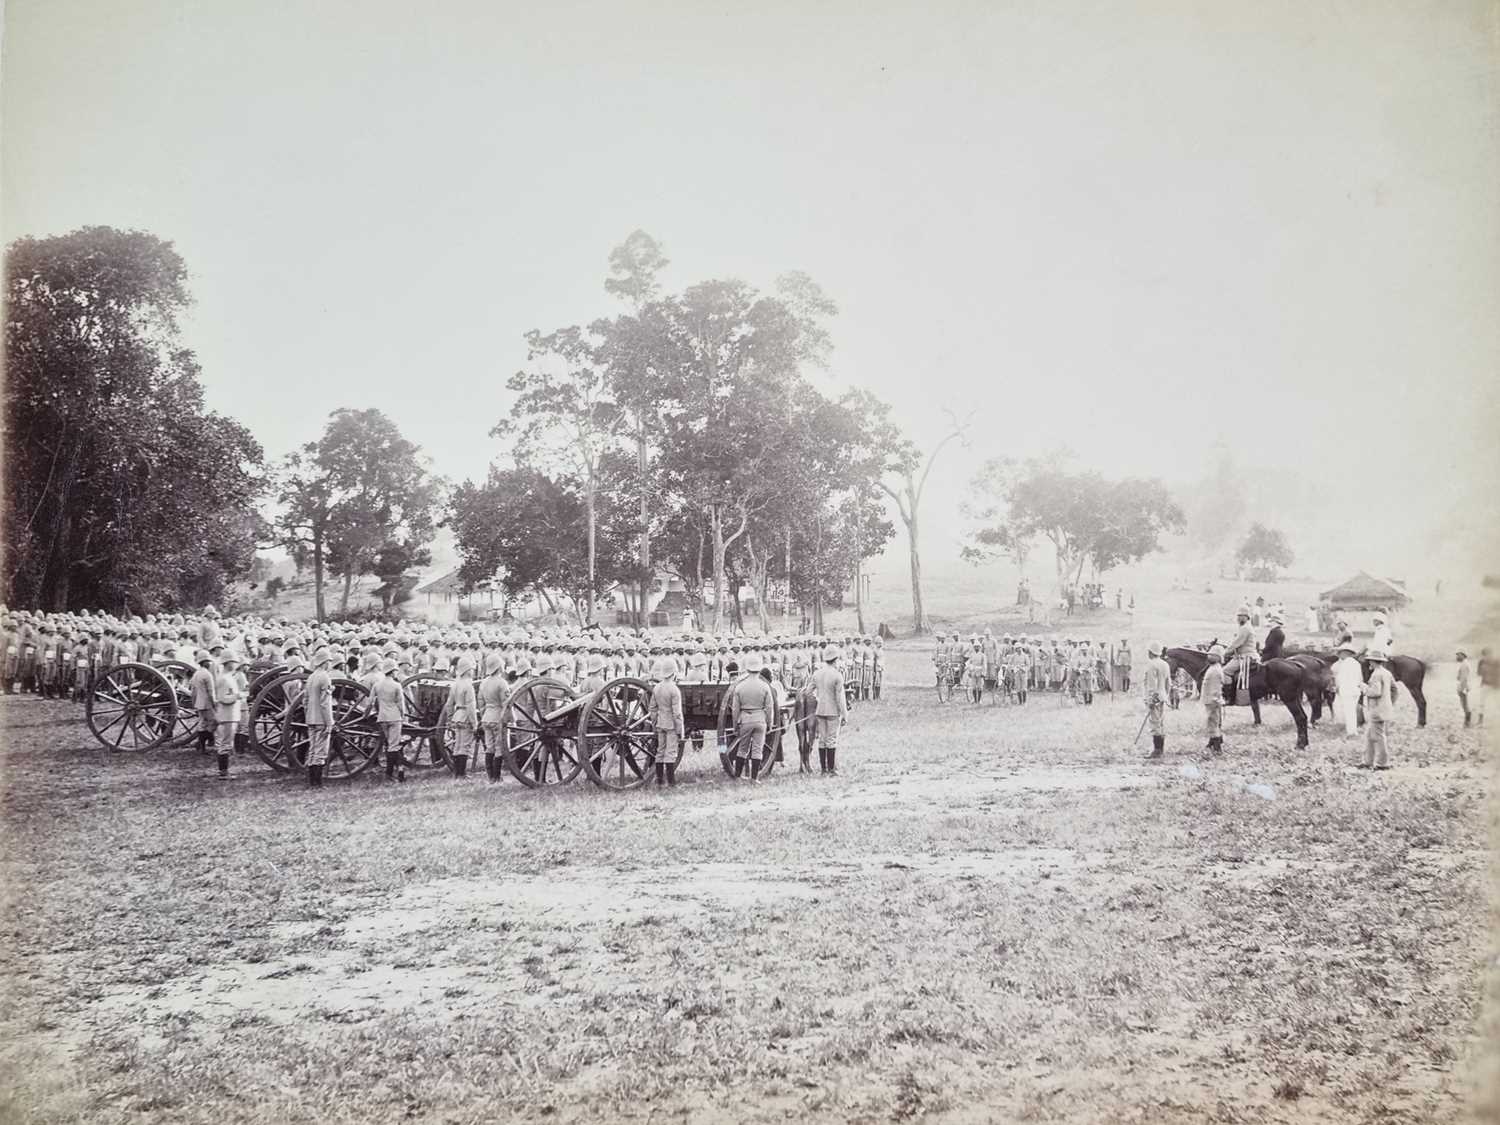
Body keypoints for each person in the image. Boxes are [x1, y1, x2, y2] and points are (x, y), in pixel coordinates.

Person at [730, 653, 776, 781]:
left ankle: (738, 776)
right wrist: (770, 724)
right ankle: (754, 778)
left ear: (747, 669)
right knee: (757, 749)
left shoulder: (739, 687)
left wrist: (735, 726)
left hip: (745, 719)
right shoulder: (765, 686)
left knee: (742, 748)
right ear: (759, 669)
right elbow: (769, 707)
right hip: (760, 719)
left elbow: (735, 710)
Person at [367, 658, 409, 781]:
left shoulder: (377, 685)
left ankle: (399, 771)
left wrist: (365, 715)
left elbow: (370, 702)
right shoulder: (396, 685)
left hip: (382, 718)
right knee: (394, 746)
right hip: (395, 717)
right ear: (393, 672)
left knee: (389, 744)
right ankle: (390, 774)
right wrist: (404, 717)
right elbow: (401, 705)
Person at [811, 644, 848, 775]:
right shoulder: (837, 676)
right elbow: (840, 698)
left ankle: (823, 769)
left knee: (822, 739)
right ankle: (832, 769)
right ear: (836, 659)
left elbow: (809, 691)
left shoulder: (817, 674)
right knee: (832, 739)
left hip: (820, 711)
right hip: (833, 711)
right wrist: (844, 714)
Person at [648, 656, 684, 787]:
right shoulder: (674, 689)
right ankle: (671, 782)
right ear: (674, 673)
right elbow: (677, 713)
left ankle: (659, 781)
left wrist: (655, 723)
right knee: (671, 752)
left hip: (660, 723)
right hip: (671, 725)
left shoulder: (657, 688)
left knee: (660, 751)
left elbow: (652, 708)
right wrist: (680, 730)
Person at [303, 648, 335, 788]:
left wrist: (308, 715)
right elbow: (325, 703)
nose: (330, 664)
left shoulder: (311, 677)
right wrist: (329, 722)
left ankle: (312, 782)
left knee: (312, 749)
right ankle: (318, 783)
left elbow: (305, 700)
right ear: (325, 662)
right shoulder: (325, 677)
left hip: (310, 717)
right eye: (329, 661)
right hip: (321, 719)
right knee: (321, 752)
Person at [1361, 648, 1395, 769]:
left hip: (1376, 710)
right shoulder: (1387, 673)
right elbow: (1395, 690)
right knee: (1370, 736)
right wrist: (1389, 703)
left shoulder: (1376, 674)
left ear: (1373, 662)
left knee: (1378, 737)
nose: (1369, 663)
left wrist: (1364, 688)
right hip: (1383, 709)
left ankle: (1382, 763)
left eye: (1370, 661)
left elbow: (1375, 692)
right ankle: (1367, 761)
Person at [212, 653, 244, 780]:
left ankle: (224, 770)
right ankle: (223, 772)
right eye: (234, 662)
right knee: (225, 743)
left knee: (227, 743)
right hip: (227, 714)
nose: (236, 665)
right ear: (229, 663)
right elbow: (223, 698)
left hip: (231, 714)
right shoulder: (224, 679)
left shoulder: (228, 677)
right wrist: (237, 696)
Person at [1142, 643, 1171, 759]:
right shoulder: (1165, 664)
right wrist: (1165, 695)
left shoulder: (1151, 665)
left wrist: (1151, 700)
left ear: (1151, 652)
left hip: (1155, 697)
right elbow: (1168, 682)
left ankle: (1157, 750)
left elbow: (1151, 685)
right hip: (1163, 696)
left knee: (1154, 723)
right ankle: (1160, 748)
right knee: (1160, 722)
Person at [1222, 606, 1257, 693]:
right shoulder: (1245, 627)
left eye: (1242, 616)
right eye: (1238, 616)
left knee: (1225, 671)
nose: (1239, 618)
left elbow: (1236, 643)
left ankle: (1229, 696)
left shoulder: (1245, 628)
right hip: (1243, 655)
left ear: (1247, 617)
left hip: (1245, 656)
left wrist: (1224, 653)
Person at [189, 649, 216, 755]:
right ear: (204, 662)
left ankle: (202, 745)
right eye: (208, 661)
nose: (209, 663)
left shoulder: (196, 673)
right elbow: (211, 692)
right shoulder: (207, 675)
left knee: (203, 723)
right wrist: (214, 704)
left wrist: (194, 702)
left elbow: (193, 690)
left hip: (199, 702)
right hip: (207, 703)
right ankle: (202, 743)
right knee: (213, 722)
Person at [1332, 643, 1362, 736]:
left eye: (1340, 653)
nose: (1340, 654)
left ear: (1345, 653)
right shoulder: (1356, 663)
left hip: (1347, 690)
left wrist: (1336, 688)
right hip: (1355, 690)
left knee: (1349, 712)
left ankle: (1351, 732)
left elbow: (1340, 678)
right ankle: (1353, 730)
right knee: (1352, 711)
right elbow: (1360, 678)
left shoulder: (1344, 664)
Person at [1201, 645, 1225, 754]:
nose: (1209, 657)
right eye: (1209, 655)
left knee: (1213, 723)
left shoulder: (1215, 671)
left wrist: (1215, 701)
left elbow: (1215, 689)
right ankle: (1214, 744)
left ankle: (1217, 748)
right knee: (1213, 723)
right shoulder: (1213, 668)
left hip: (1212, 701)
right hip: (1210, 700)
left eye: (1212, 655)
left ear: (1218, 657)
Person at [1476, 648, 1496, 727]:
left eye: (1488, 655)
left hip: (1494, 685)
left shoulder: (1495, 662)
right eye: (1485, 655)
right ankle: (1480, 721)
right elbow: (1479, 673)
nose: (1487, 657)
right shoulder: (1481, 662)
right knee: (1482, 703)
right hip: (1485, 684)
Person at [1455, 650, 1472, 728]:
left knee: (1465, 704)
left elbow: (1464, 678)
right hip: (1464, 686)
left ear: (1463, 655)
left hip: (1464, 687)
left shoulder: (1464, 664)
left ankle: (1467, 722)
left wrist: (1461, 688)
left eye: (1458, 655)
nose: (1457, 657)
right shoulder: (1464, 663)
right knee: (1465, 704)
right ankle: (1467, 722)